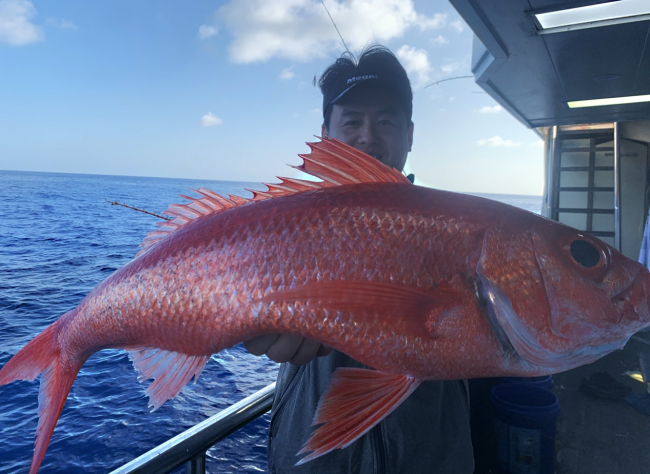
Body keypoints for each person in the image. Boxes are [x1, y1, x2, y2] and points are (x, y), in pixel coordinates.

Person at [245, 45, 474, 473]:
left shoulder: (452, 231)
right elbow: (236, 299)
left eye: (385, 121)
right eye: (352, 121)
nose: (368, 136)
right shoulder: (286, 227)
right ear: (326, 133)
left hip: (432, 455)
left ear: (410, 133)